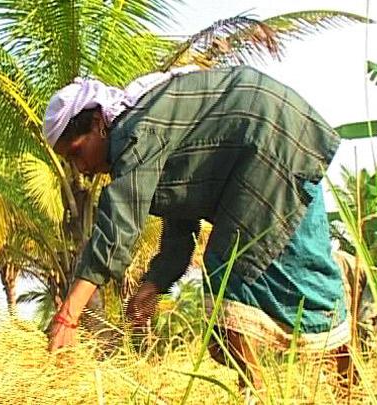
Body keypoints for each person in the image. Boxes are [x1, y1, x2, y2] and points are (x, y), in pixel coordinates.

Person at [43, 65, 352, 393]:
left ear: (96, 123)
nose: (82, 168)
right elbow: (181, 220)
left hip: (265, 142)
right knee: (308, 267)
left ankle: (257, 392)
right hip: (287, 134)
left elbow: (118, 226)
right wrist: (153, 285)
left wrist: (68, 315)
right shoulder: (149, 127)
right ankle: (352, 392)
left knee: (228, 277)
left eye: (77, 152)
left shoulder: (133, 134)